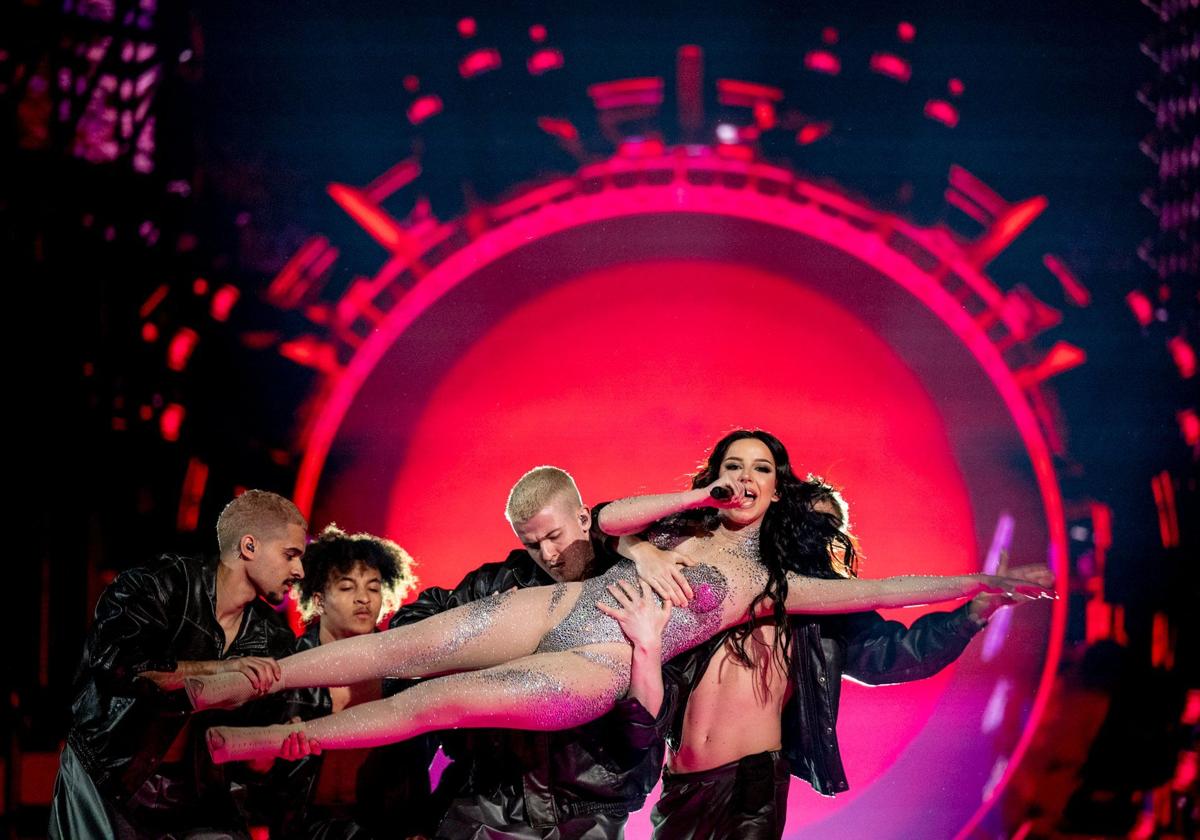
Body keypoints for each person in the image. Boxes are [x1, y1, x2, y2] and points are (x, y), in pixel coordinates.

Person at [187, 430, 1052, 764]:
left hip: (597, 663)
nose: (742, 479)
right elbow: (607, 514)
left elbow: (891, 590)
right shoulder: (667, 526)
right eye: (731, 467)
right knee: (398, 648)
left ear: (780, 490)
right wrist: (686, 507)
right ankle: (249, 679)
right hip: (558, 610)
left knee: (438, 701)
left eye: (759, 472)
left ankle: (267, 741)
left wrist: (980, 583)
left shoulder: (775, 585)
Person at [591, 432, 1055, 839]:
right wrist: (644, 551)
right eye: (812, 520)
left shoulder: (813, 601)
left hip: (751, 784)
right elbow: (602, 525)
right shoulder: (709, 568)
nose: (820, 533)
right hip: (681, 780)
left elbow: (895, 651)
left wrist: (973, 609)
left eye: (828, 525)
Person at [382, 465, 676, 839]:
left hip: (591, 804)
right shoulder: (499, 581)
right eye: (532, 544)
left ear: (584, 518)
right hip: (493, 797)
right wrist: (481, 632)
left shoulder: (629, 586)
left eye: (555, 536)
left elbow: (649, 720)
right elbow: (410, 626)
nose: (548, 554)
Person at [48, 489, 307, 839]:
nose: (300, 570)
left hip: (198, 799)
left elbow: (257, 752)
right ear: (249, 547)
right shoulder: (158, 585)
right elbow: (122, 668)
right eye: (290, 555)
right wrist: (222, 669)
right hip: (105, 782)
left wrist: (280, 742)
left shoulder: (274, 638)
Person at [265, 524, 430, 839]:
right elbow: (253, 775)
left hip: (381, 827)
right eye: (346, 587)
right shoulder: (284, 667)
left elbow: (414, 767)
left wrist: (417, 828)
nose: (363, 599)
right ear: (320, 599)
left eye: (373, 587)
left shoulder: (401, 671)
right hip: (300, 825)